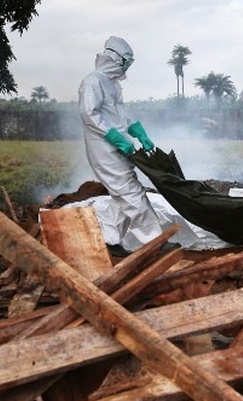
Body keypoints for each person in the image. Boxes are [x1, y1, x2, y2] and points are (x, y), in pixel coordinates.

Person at [78, 36, 175, 256]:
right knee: (132, 192)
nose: (128, 65)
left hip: (119, 147)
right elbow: (88, 114)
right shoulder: (92, 81)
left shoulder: (112, 84)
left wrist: (138, 131)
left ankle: (110, 240)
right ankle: (154, 243)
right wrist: (115, 136)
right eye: (126, 60)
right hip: (104, 148)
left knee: (121, 194)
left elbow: (121, 115)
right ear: (114, 57)